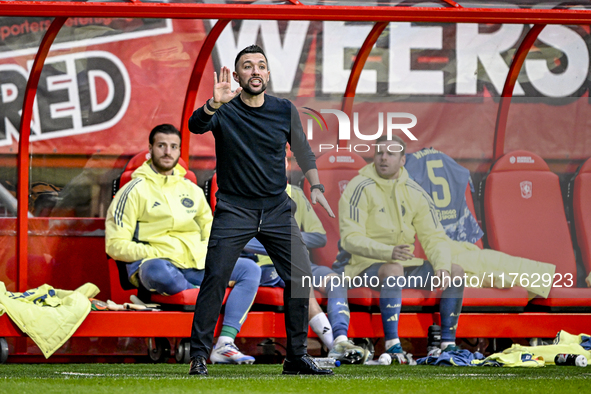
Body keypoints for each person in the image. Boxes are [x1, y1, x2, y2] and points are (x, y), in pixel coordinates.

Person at [187, 45, 335, 376]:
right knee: (215, 277)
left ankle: (296, 357)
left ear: (267, 74)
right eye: (248, 66)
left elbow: (304, 151)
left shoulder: (284, 109)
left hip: (277, 208)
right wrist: (214, 103)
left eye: (261, 66)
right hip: (235, 208)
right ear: (237, 76)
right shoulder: (224, 108)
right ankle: (198, 355)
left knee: (300, 277)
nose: (255, 71)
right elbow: (195, 126)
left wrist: (318, 187)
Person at [105, 124, 261, 365]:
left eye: (173, 147)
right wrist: (155, 251)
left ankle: (225, 343)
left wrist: (218, 259)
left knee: (250, 269)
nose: (168, 152)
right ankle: (205, 295)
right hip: (156, 266)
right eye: (161, 146)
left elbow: (213, 233)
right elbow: (115, 245)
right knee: (157, 270)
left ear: (179, 152)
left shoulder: (192, 190)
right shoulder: (133, 190)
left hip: (196, 264)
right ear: (150, 149)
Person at [339, 135, 466, 361]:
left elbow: (435, 236)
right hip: (364, 268)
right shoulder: (358, 187)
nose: (383, 158)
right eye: (379, 153)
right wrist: (387, 253)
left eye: (391, 154)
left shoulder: (415, 191)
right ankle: (392, 344)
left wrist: (442, 266)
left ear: (403, 160)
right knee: (393, 269)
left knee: (455, 272)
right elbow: (350, 238)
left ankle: (447, 343)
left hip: (404, 266)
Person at [244, 183, 368, 364]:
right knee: (301, 279)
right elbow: (244, 241)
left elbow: (319, 237)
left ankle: (341, 339)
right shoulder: (248, 192)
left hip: (302, 261)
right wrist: (280, 244)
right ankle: (334, 344)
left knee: (335, 281)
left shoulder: (295, 193)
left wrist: (286, 240)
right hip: (267, 265)